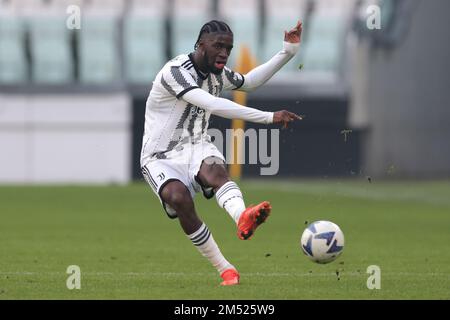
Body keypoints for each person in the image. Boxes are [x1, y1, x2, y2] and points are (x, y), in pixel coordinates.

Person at [141, 20, 303, 286]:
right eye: (218, 46)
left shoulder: (217, 74)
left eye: (228, 48)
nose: (224, 53)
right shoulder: (175, 71)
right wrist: (268, 117)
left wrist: (287, 52)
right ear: (200, 44)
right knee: (178, 198)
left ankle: (243, 217)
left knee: (215, 170)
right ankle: (225, 268)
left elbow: (249, 82)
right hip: (160, 156)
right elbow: (212, 103)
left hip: (197, 145)